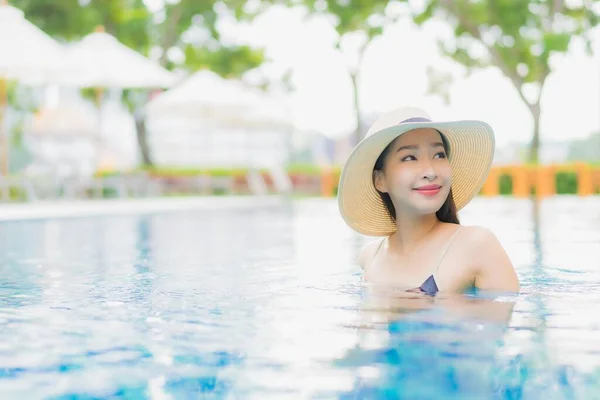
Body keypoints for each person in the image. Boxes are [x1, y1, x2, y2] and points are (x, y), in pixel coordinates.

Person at [337, 106, 520, 295]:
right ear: (380, 180)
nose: (430, 172)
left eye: (439, 155)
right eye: (409, 157)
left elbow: (507, 319)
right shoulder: (369, 257)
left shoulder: (477, 245)